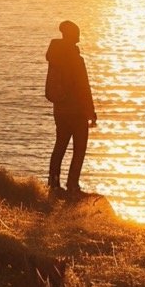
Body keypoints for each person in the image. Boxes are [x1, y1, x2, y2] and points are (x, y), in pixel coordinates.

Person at [45, 20, 97, 196]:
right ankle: (72, 184)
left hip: (60, 109)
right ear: (72, 35)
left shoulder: (55, 57)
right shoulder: (76, 59)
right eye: (77, 33)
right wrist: (91, 112)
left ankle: (53, 183)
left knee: (60, 145)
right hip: (77, 111)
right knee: (79, 148)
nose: (78, 37)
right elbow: (84, 87)